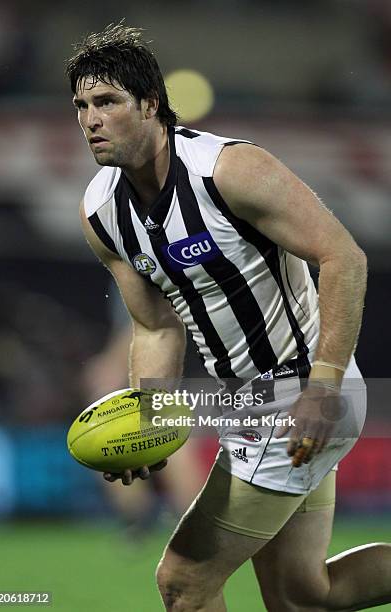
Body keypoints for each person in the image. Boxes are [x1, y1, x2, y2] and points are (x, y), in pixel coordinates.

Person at [66, 22, 391, 612]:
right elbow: (156, 326)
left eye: (107, 102)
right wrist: (150, 421)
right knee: (304, 594)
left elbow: (344, 257)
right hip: (243, 403)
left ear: (150, 104)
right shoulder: (101, 211)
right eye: (82, 106)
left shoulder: (229, 170)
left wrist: (323, 387)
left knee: (182, 584)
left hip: (303, 394)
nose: (91, 119)